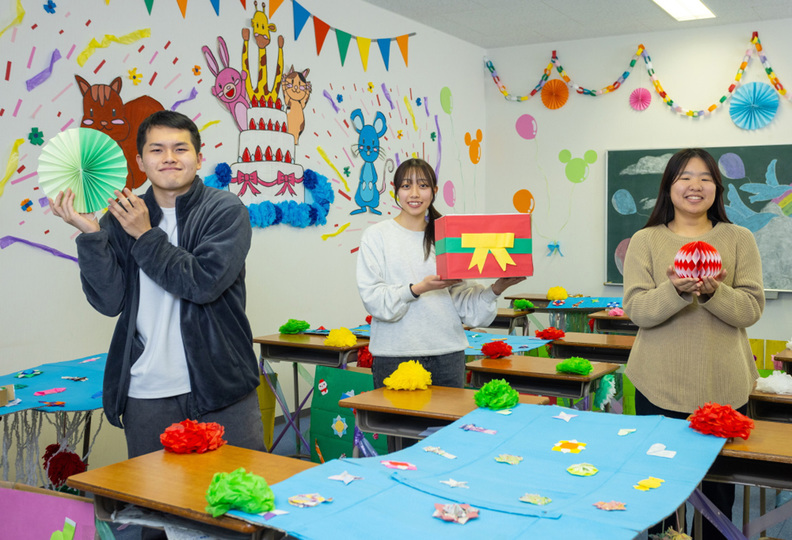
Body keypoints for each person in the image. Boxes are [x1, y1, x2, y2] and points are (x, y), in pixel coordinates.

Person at [50, 110, 265, 459]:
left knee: (242, 495)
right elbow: (109, 301)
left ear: (198, 157)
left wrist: (146, 235)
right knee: (155, 504)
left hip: (221, 384)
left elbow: (204, 283)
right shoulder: (120, 216)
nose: (169, 158)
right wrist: (92, 237)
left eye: (180, 149)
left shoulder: (225, 210)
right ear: (140, 160)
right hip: (146, 391)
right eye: (157, 150)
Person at [623, 148, 764, 539]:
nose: (695, 185)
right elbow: (637, 310)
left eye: (705, 177)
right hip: (657, 384)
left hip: (723, 385)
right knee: (658, 491)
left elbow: (751, 309)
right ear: (668, 187)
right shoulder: (646, 240)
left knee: (718, 495)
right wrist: (676, 290)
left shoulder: (739, 238)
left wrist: (714, 291)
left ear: (717, 188)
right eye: (684, 177)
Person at [356, 158, 526, 390]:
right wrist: (419, 288)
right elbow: (373, 299)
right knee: (396, 427)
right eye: (406, 186)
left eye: (423, 186)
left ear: (434, 191)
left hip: (447, 354)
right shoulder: (377, 235)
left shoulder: (447, 236)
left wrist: (496, 288)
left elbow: (465, 306)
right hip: (395, 354)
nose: (414, 193)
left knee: (447, 427)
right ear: (395, 192)